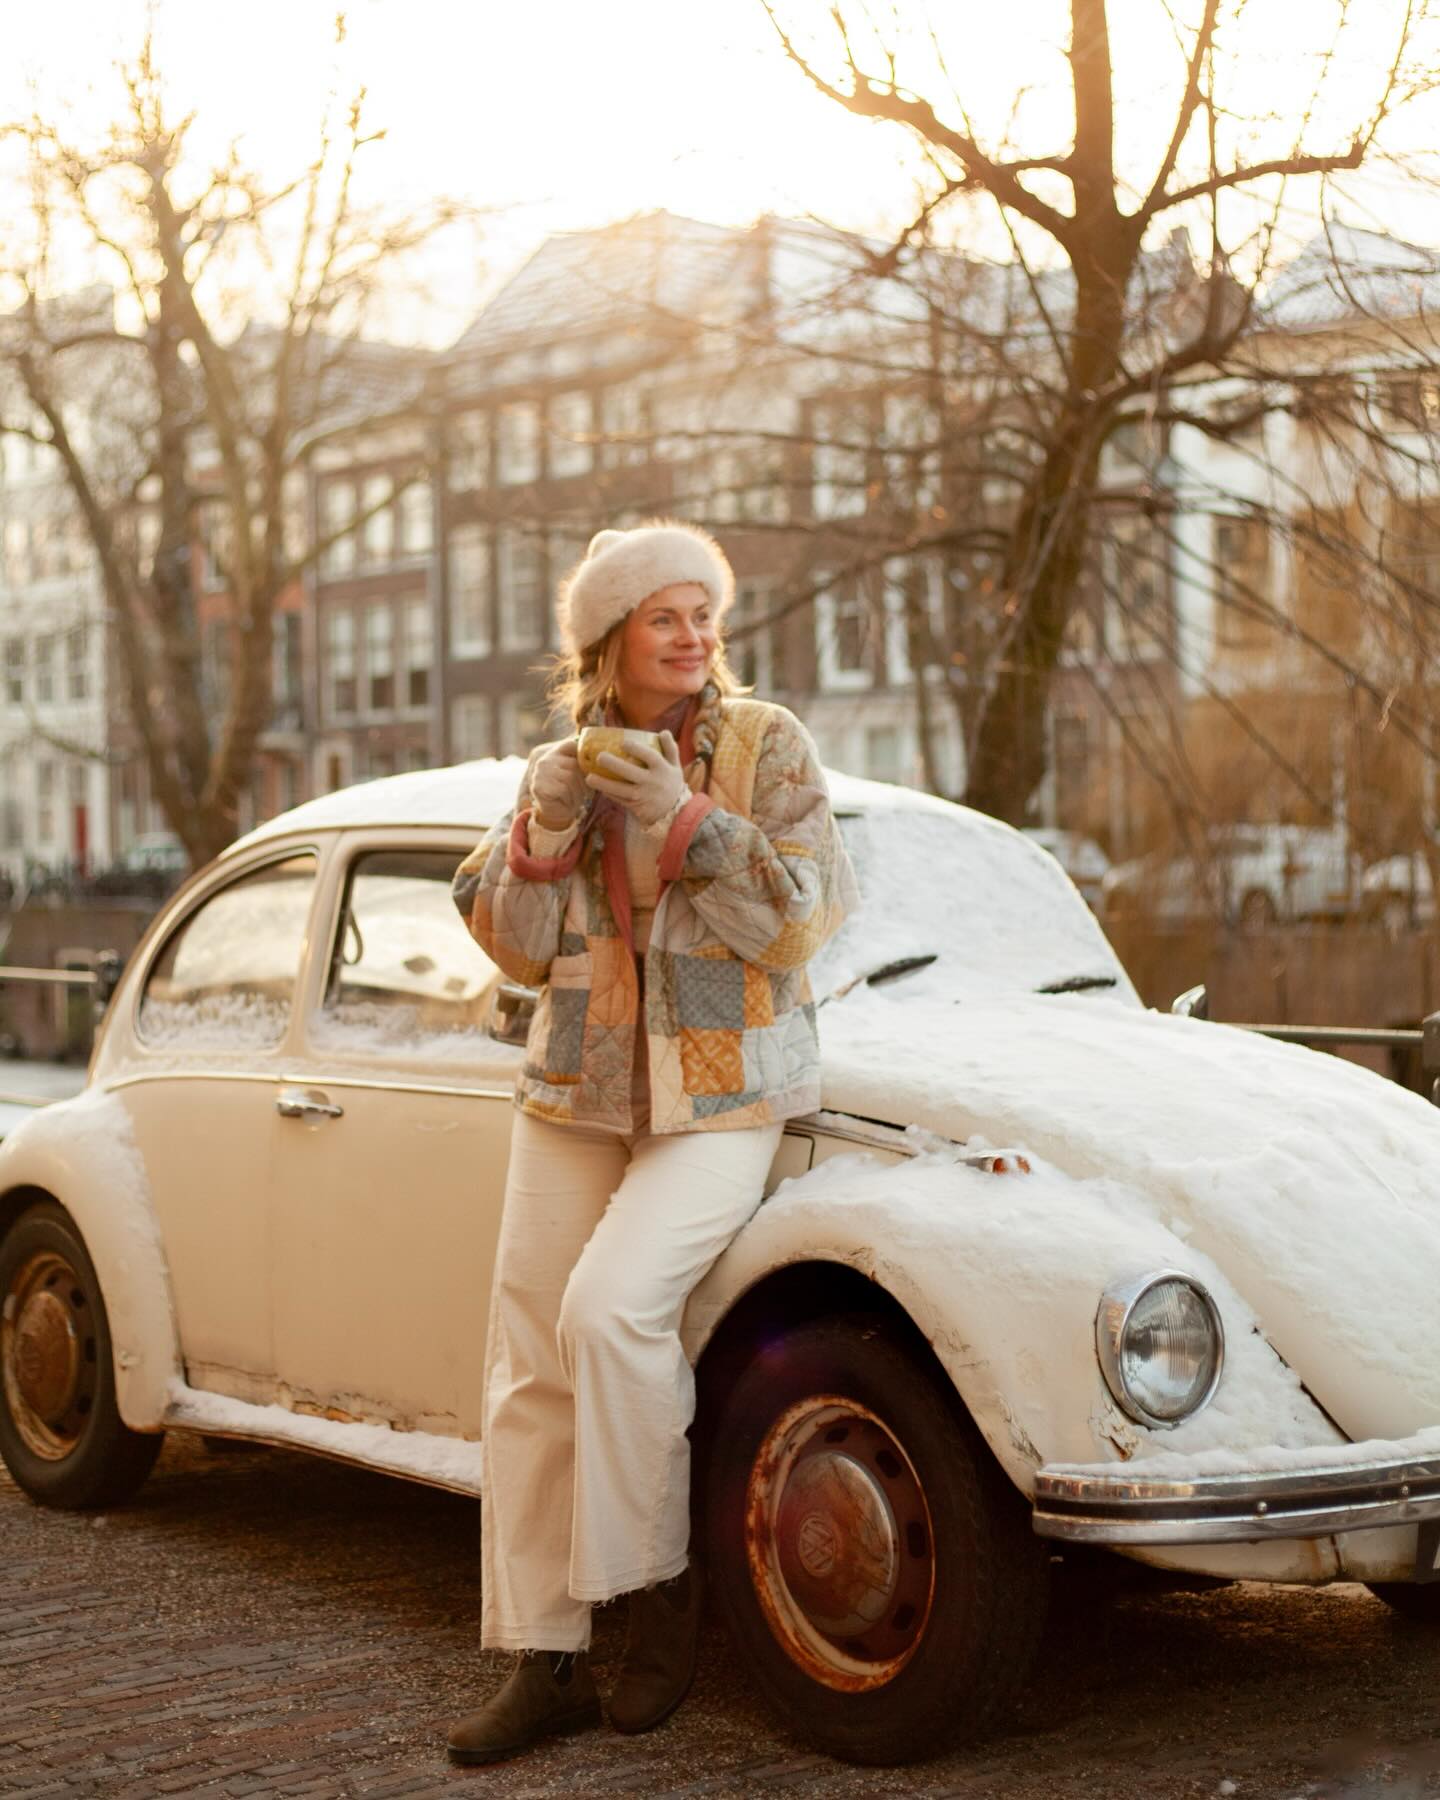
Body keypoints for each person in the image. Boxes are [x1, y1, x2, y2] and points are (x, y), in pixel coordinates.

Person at [447, 519, 857, 1766]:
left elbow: (803, 922)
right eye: (664, 617)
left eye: (703, 614)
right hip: (578, 1082)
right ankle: (544, 1655)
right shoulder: (559, 762)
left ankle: (655, 1585)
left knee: (610, 1312)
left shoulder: (764, 744)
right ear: (609, 640)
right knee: (527, 1351)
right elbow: (506, 938)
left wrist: (691, 824)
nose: (692, 637)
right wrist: (542, 832)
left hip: (724, 1091)